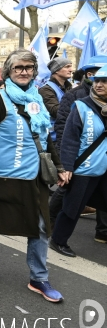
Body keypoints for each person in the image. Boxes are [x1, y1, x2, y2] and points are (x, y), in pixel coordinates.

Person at [0, 49, 66, 303]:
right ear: (9, 71)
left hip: (34, 178)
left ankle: (39, 277)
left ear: (34, 72)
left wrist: (60, 166)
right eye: (18, 68)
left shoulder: (37, 100)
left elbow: (44, 137)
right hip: (2, 176)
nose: (24, 72)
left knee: (41, 228)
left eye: (28, 68)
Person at [50, 65, 107, 256]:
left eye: (104, 81)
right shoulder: (82, 106)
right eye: (97, 80)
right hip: (84, 168)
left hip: (104, 168)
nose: (99, 84)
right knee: (72, 208)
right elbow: (70, 140)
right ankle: (58, 240)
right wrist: (66, 167)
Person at [40, 57, 73, 142]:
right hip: (54, 138)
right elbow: (56, 111)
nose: (71, 70)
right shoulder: (46, 90)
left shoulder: (69, 88)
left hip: (67, 135)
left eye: (71, 66)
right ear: (57, 70)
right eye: (67, 67)